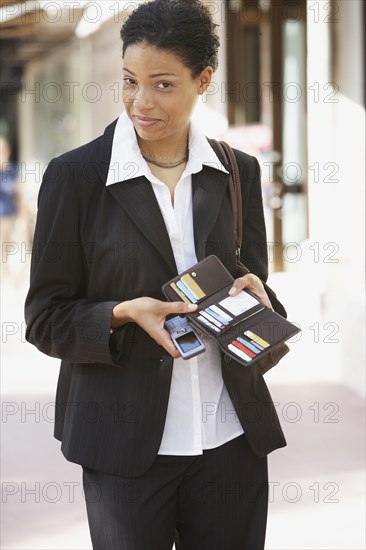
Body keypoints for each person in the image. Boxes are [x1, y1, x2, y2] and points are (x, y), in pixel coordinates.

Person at [25, 1, 288, 548]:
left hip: (230, 442)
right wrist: (121, 314)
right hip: (124, 449)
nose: (141, 102)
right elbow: (45, 319)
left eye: (163, 84)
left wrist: (261, 300)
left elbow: (261, 299)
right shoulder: (75, 177)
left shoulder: (238, 172)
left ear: (204, 80)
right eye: (129, 81)